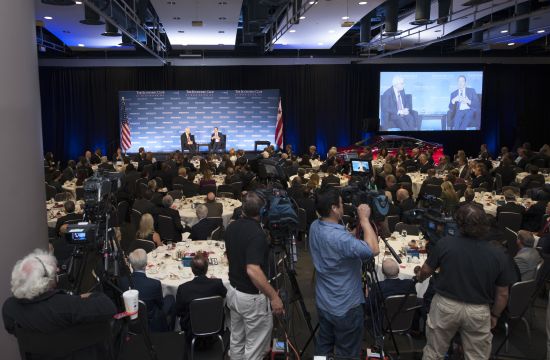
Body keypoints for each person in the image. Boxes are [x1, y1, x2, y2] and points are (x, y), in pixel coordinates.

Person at [416, 204, 515, 360]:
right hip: (479, 309)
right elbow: (503, 293)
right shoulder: (498, 253)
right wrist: (495, 315)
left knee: (434, 352)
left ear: (458, 223)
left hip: (445, 305)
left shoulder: (445, 243)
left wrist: (419, 278)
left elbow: (426, 271)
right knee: (477, 356)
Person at [2, 249, 117, 359]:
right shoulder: (65, 306)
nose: (57, 270)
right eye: (53, 271)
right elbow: (108, 307)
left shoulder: (9, 308)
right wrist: (90, 296)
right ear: (44, 281)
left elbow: (12, 329)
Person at [309, 188, 379, 357]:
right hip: (345, 306)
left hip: (324, 301)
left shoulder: (315, 226)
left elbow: (339, 243)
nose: (343, 207)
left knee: (323, 346)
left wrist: (352, 234)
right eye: (341, 204)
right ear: (334, 208)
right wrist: (364, 220)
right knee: (346, 352)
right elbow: (373, 249)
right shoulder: (340, 239)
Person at [224, 192, 284, 360]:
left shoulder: (231, 227)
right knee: (255, 349)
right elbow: (253, 270)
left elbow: (230, 256)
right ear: (263, 212)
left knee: (237, 340)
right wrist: (273, 297)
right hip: (251, 298)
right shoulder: (257, 234)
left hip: (234, 293)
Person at [119, 249, 175, 331]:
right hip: (151, 319)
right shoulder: (154, 284)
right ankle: (170, 329)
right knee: (171, 298)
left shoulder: (122, 281)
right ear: (145, 264)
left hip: (131, 316)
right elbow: (160, 304)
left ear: (131, 265)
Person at [175, 253, 227, 337]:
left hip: (192, 328)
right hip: (215, 324)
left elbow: (179, 312)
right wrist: (214, 280)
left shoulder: (183, 288)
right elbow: (224, 296)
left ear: (192, 270)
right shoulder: (217, 283)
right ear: (207, 269)